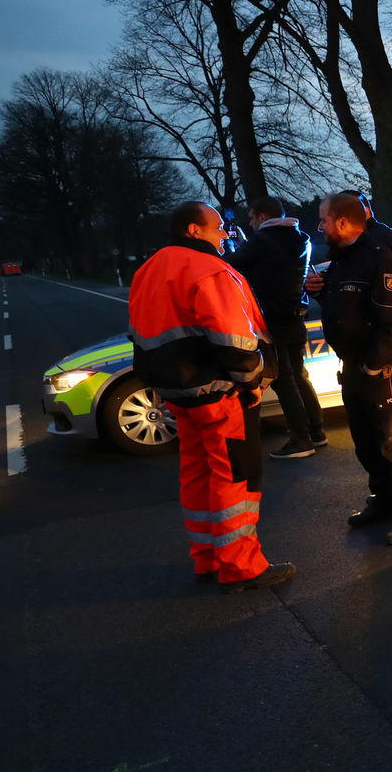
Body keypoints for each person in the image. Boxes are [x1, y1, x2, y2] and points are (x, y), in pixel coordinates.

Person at [128, 201, 296, 592]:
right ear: (193, 230)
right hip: (219, 394)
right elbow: (235, 341)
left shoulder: (147, 271)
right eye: (218, 226)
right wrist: (252, 382)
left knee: (196, 472)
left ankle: (206, 558)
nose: (225, 233)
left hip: (177, 393)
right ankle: (240, 566)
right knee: (234, 476)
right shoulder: (209, 270)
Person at [306, 191, 392, 545]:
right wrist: (319, 290)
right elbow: (349, 306)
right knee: (365, 439)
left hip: (381, 367)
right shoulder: (344, 257)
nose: (319, 226)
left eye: (323, 220)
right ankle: (384, 500)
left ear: (343, 222)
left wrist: (374, 365)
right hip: (353, 363)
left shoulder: (379, 256)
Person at [226, 195, 328, 459]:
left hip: (273, 319)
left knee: (283, 379)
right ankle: (317, 431)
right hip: (296, 314)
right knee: (299, 374)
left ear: (262, 217)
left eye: (251, 219)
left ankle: (300, 440)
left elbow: (231, 266)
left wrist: (230, 245)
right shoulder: (300, 238)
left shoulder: (261, 241)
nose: (250, 224)